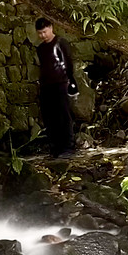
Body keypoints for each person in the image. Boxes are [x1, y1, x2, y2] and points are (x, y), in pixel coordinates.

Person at [35, 17, 77, 157]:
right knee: (49, 117)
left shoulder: (60, 43)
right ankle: (55, 147)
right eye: (40, 33)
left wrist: (70, 80)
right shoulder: (41, 49)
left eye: (45, 32)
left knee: (63, 115)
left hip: (60, 83)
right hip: (46, 85)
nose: (43, 35)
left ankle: (68, 147)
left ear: (51, 28)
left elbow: (68, 62)